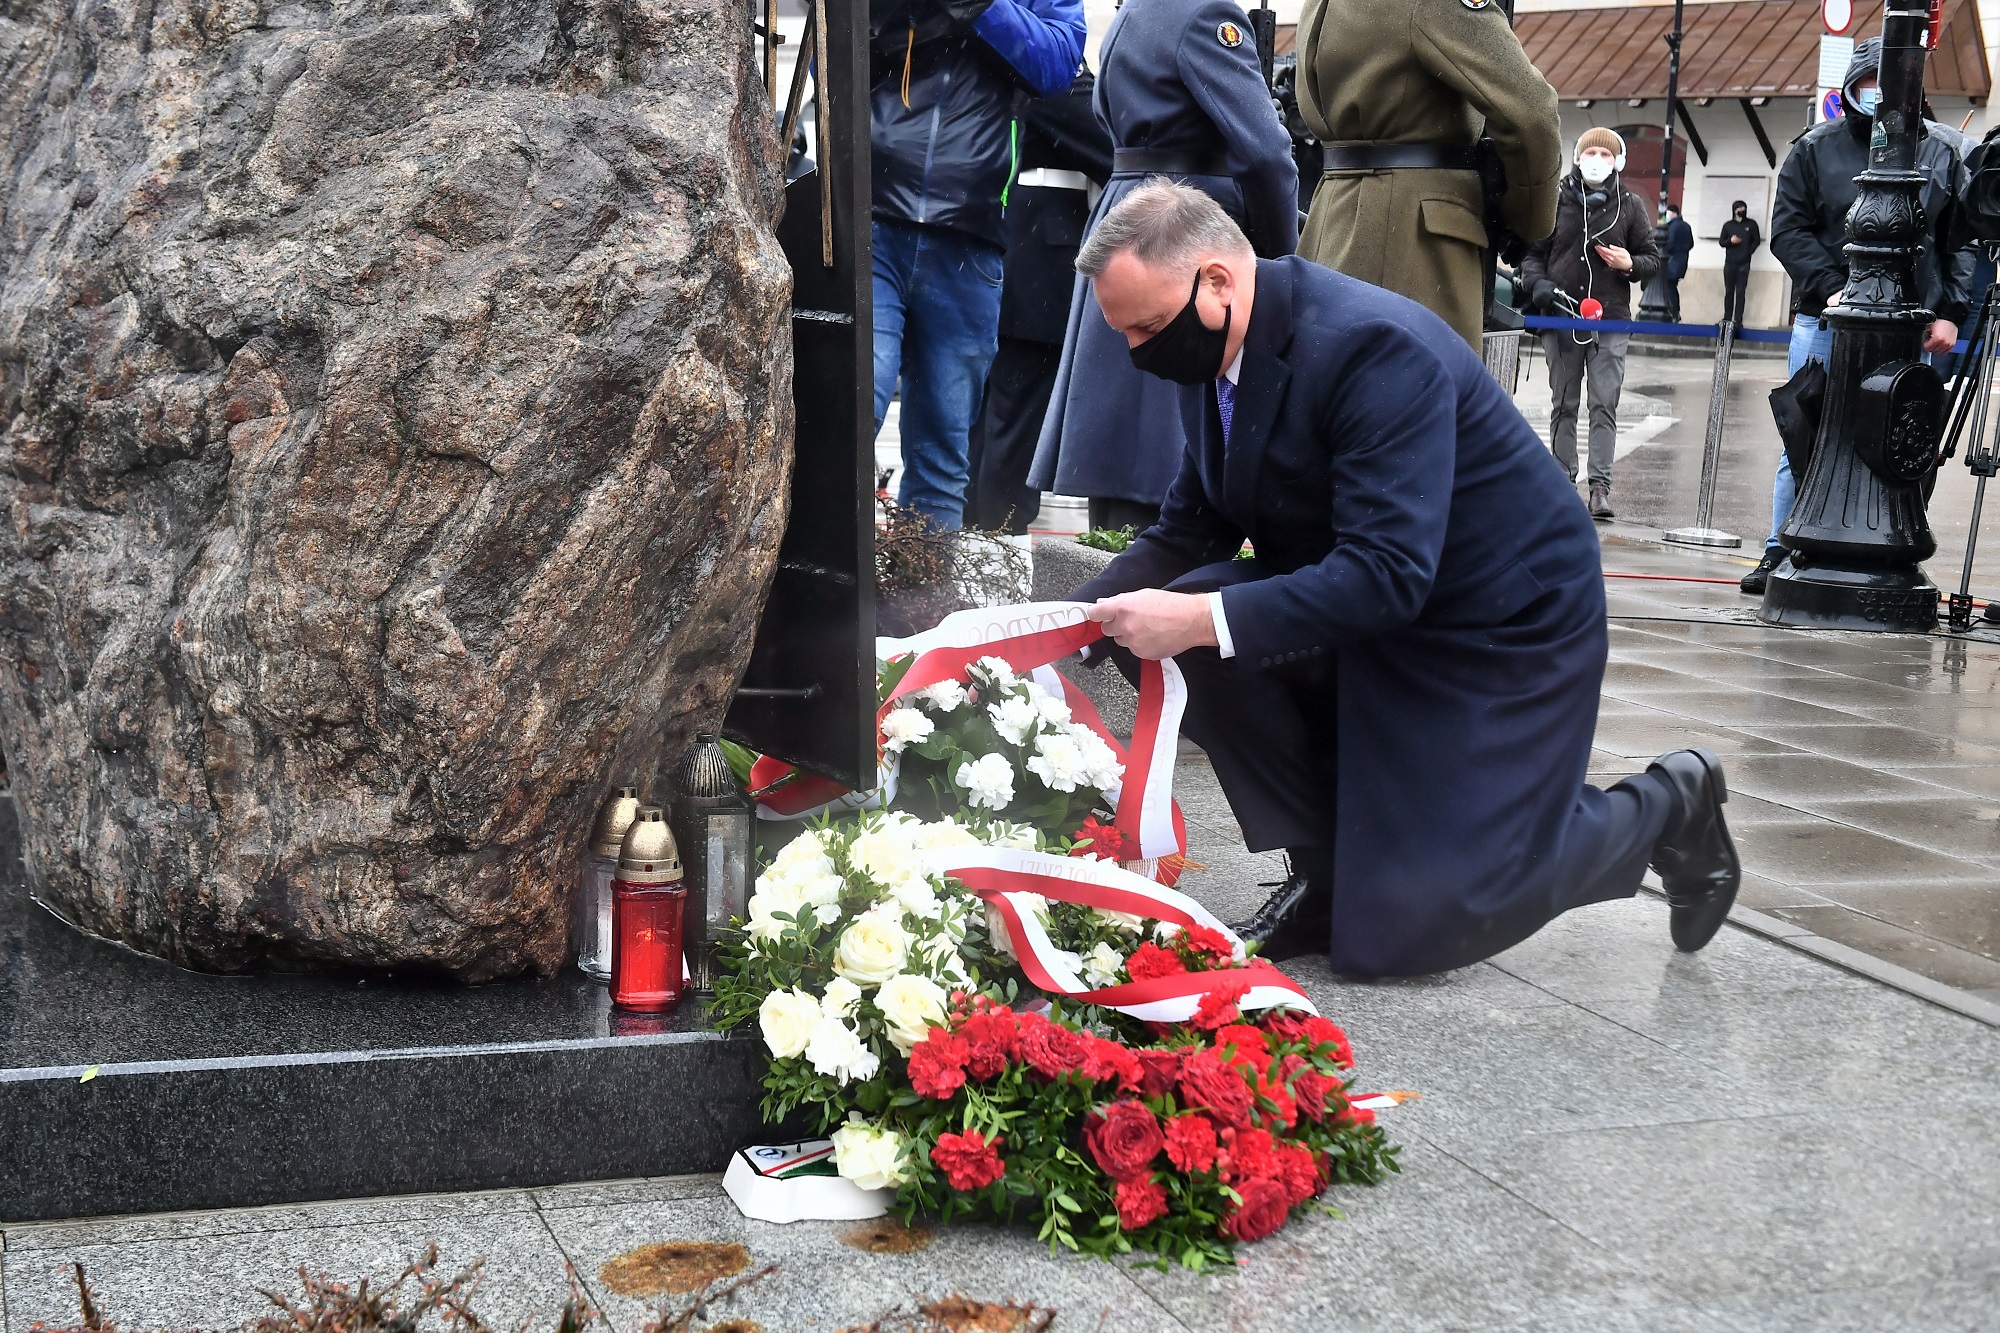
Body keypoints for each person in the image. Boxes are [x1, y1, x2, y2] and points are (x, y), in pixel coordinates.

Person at [1065, 181, 1741, 977]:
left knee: (1428, 921)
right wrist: (1063, 628)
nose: (1140, 352)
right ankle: (1326, 869)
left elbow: (1388, 572)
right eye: (1125, 334)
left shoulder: (1367, 347)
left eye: (1147, 327)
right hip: (1369, 599)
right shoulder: (1213, 353)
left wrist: (1200, 617)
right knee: (1183, 619)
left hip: (1497, 619)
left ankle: (1670, 803)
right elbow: (1190, 526)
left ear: (1216, 280)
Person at [1027, 0, 1296, 536]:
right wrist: (1276, 263)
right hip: (1183, 225)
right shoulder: (1205, 14)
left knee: (1130, 466)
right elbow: (1266, 155)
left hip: (1133, 208)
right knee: (1172, 460)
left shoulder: (1134, 14)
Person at [1743, 34, 1977, 593]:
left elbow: (1959, 241)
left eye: (1887, 84)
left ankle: (1889, 542)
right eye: (1866, 84)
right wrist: (1828, 287)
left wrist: (1949, 313)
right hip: (1826, 319)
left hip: (1912, 324)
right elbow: (1790, 230)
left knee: (1902, 437)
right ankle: (1782, 544)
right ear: (1851, 88)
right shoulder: (1814, 147)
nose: (1877, 94)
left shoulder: (1943, 151)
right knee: (1807, 433)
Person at [869, 0, 1088, 530]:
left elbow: (1060, 65)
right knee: (855, 412)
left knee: (944, 450)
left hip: (968, 233)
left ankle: (924, 604)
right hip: (876, 216)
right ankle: (826, 595)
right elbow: (827, 48)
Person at [1292, 0, 1561, 350]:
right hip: (1415, 240)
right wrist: (1528, 218)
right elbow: (1532, 113)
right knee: (1422, 392)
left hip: (1328, 224)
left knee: (1331, 389)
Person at [964, 71, 1115, 533]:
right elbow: (1117, 147)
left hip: (1014, 260)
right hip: (1035, 272)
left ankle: (975, 531)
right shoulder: (1048, 74)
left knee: (989, 419)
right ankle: (996, 535)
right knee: (1014, 420)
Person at [1518, 128, 1661, 521]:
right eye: (1590, 151)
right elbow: (1532, 256)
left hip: (1610, 320)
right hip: (1560, 319)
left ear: (1618, 161)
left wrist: (1629, 263)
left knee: (1604, 404)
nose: (1597, 158)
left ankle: (1600, 487)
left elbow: (1652, 258)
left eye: (1606, 153)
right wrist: (1540, 285)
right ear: (1578, 157)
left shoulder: (1629, 206)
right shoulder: (1554, 201)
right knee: (1563, 402)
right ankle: (1563, 481)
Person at [1719, 199, 1761, 327]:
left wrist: (1749, 252)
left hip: (1744, 263)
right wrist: (1730, 241)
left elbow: (1756, 240)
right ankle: (1727, 317)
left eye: (1744, 208)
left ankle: (1738, 319)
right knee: (1729, 291)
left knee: (1741, 292)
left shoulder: (1751, 224)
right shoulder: (1728, 225)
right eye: (1740, 208)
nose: (1742, 210)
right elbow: (1722, 242)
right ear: (1734, 210)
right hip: (1730, 262)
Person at [1659, 203, 1694, 322]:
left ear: (1674, 214)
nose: (1666, 216)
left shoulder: (1673, 227)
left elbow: (1669, 244)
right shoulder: (1686, 226)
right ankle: (1674, 313)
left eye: (1668, 213)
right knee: (1672, 286)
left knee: (1669, 287)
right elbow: (1691, 244)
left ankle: (1673, 313)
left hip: (1671, 262)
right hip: (1681, 262)